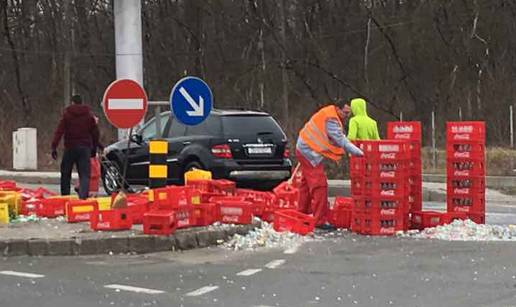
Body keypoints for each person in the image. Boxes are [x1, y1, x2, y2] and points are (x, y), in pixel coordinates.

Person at [296, 102, 364, 227]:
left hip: (306, 148)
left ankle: (301, 213)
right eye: (345, 112)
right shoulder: (331, 119)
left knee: (306, 185)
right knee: (320, 186)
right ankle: (319, 221)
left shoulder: (330, 114)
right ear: (338, 109)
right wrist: (360, 153)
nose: (347, 116)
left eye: (349, 113)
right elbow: (340, 140)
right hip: (309, 151)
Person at [51, 95, 100, 199]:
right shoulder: (88, 115)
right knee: (84, 175)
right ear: (81, 102)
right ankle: (83, 198)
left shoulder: (67, 115)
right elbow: (95, 133)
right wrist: (94, 148)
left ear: (72, 102)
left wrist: (54, 146)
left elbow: (59, 131)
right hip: (85, 148)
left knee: (65, 173)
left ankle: (65, 197)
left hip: (70, 147)